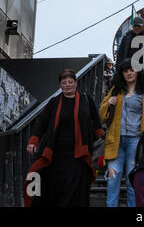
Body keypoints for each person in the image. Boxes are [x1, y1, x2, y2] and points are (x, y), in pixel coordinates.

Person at [24, 69, 104, 207]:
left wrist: (102, 138)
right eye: (64, 82)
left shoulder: (86, 99)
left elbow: (97, 121)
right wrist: (33, 141)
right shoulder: (54, 102)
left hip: (78, 153)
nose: (68, 85)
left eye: (70, 82)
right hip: (55, 153)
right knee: (52, 186)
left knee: (75, 188)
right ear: (60, 85)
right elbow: (42, 124)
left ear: (76, 83)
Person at [99, 58, 144, 207]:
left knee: (133, 181)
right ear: (121, 74)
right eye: (125, 71)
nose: (129, 73)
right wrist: (109, 103)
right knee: (112, 180)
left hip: (135, 141)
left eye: (132, 70)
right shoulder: (115, 91)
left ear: (137, 72)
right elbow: (102, 115)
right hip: (115, 141)